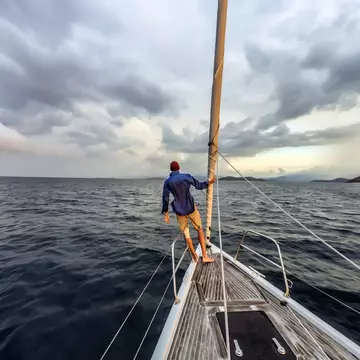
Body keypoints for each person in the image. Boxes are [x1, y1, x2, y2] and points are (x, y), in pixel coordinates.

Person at [161, 161, 215, 263]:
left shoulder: (167, 182)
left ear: (170, 169)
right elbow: (199, 185)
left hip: (179, 211)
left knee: (187, 234)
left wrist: (166, 212)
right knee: (199, 229)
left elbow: (165, 198)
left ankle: (193, 254)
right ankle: (204, 256)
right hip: (191, 208)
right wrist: (210, 182)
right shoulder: (186, 176)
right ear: (179, 168)